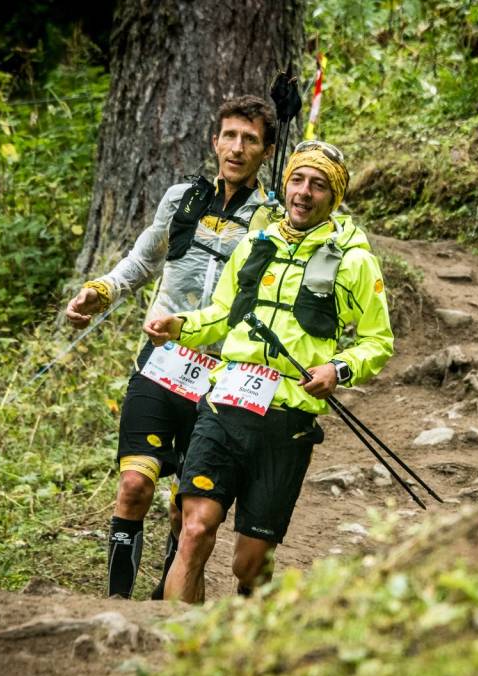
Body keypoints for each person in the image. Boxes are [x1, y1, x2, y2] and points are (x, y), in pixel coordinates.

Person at [143, 140, 394, 602]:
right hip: (224, 407)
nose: (304, 192)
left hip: (287, 421)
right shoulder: (255, 245)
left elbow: (378, 340)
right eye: (297, 180)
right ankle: (178, 654)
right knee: (195, 529)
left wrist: (338, 369)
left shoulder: (354, 260)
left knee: (250, 564)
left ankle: (250, 635)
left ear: (333, 197)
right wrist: (179, 325)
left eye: (318, 185)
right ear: (286, 184)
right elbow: (222, 316)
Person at [64, 95, 279, 600]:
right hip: (159, 367)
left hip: (221, 379)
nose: (237, 147)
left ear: (266, 151)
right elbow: (142, 260)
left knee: (187, 511)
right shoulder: (181, 198)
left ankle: (165, 606)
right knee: (135, 486)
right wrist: (101, 292)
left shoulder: (272, 217)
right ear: (214, 141)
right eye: (229, 135)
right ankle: (117, 603)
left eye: (250, 139)